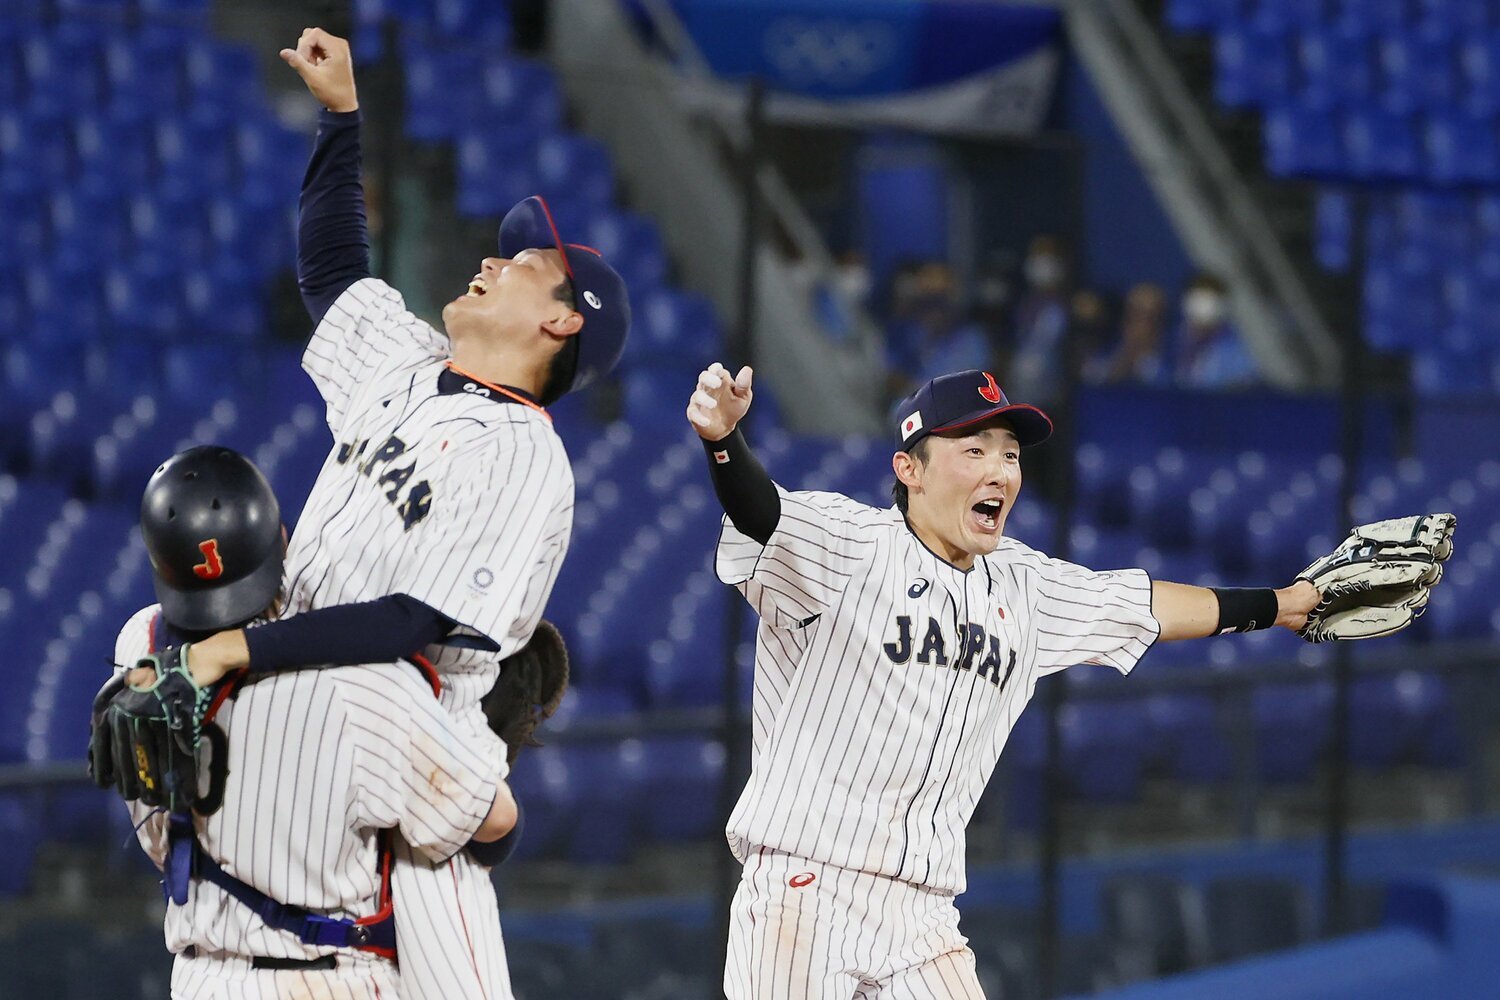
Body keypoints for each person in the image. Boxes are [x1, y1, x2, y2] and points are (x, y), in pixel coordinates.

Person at [133, 27, 630, 998]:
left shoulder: (526, 455)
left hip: (395, 753)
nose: (497, 257)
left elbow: (412, 622)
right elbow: (330, 269)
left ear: (562, 320)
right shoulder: (407, 367)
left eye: (527, 263)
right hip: (305, 704)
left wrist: (235, 653)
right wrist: (342, 119)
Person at [685, 364, 1329, 998]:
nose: (999, 471)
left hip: (923, 913)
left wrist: (1285, 604)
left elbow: (1146, 606)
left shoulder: (1026, 586)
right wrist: (723, 443)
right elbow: (760, 512)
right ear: (910, 471)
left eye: (1011, 456)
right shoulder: (849, 544)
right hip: (805, 890)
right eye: (974, 450)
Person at [95, 446, 519, 999]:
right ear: (284, 542)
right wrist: (476, 736)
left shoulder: (137, 650)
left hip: (200, 979)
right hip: (329, 979)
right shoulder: (365, 686)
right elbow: (493, 825)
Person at [1173, 273, 1258, 389]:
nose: (1203, 309)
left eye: (1210, 303)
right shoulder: (1170, 341)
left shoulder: (1239, 353)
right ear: (1186, 302)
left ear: (1222, 307)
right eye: (1198, 300)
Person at [1085, 282, 1169, 386]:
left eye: (1152, 318)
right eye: (1136, 316)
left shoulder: (1173, 369)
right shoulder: (1099, 360)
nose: (1143, 325)